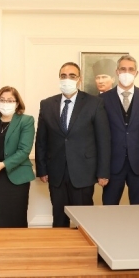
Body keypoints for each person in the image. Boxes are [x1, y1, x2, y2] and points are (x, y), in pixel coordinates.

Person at [35, 62, 111, 228]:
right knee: (59, 219)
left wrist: (103, 172)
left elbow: (103, 140)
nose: (67, 79)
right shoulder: (47, 104)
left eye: (72, 76)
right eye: (63, 76)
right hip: (56, 172)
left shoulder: (94, 103)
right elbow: (41, 140)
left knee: (83, 222)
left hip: (84, 172)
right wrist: (42, 169)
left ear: (79, 80)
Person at [99, 55, 139, 205]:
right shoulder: (103, 99)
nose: (127, 72)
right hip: (112, 166)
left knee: (138, 209)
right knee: (109, 208)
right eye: (123, 69)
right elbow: (99, 136)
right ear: (117, 72)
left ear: (136, 73)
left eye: (131, 69)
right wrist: (101, 169)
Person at [0, 86, 35, 228]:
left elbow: (24, 150)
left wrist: (4, 164)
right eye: (2, 100)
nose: (5, 103)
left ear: (17, 103)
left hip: (17, 176)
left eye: (10, 100)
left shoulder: (26, 120)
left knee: (16, 219)